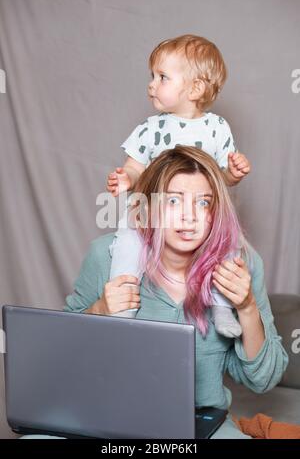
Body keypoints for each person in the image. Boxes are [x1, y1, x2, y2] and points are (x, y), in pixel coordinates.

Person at [65, 146, 288, 439]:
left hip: (200, 426)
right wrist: (99, 311)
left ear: (215, 212)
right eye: (173, 200)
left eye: (203, 203)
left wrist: (246, 308)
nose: (189, 217)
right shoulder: (107, 256)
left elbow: (263, 380)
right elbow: (65, 358)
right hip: (109, 415)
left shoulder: (242, 264)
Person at [106, 34, 251, 338]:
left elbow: (219, 176)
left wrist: (233, 174)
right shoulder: (150, 128)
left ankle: (222, 306)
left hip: (198, 217)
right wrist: (127, 178)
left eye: (162, 77)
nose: (151, 84)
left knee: (227, 247)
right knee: (127, 242)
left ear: (195, 88)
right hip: (151, 212)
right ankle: (124, 303)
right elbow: (135, 166)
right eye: (152, 76)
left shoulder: (216, 128)